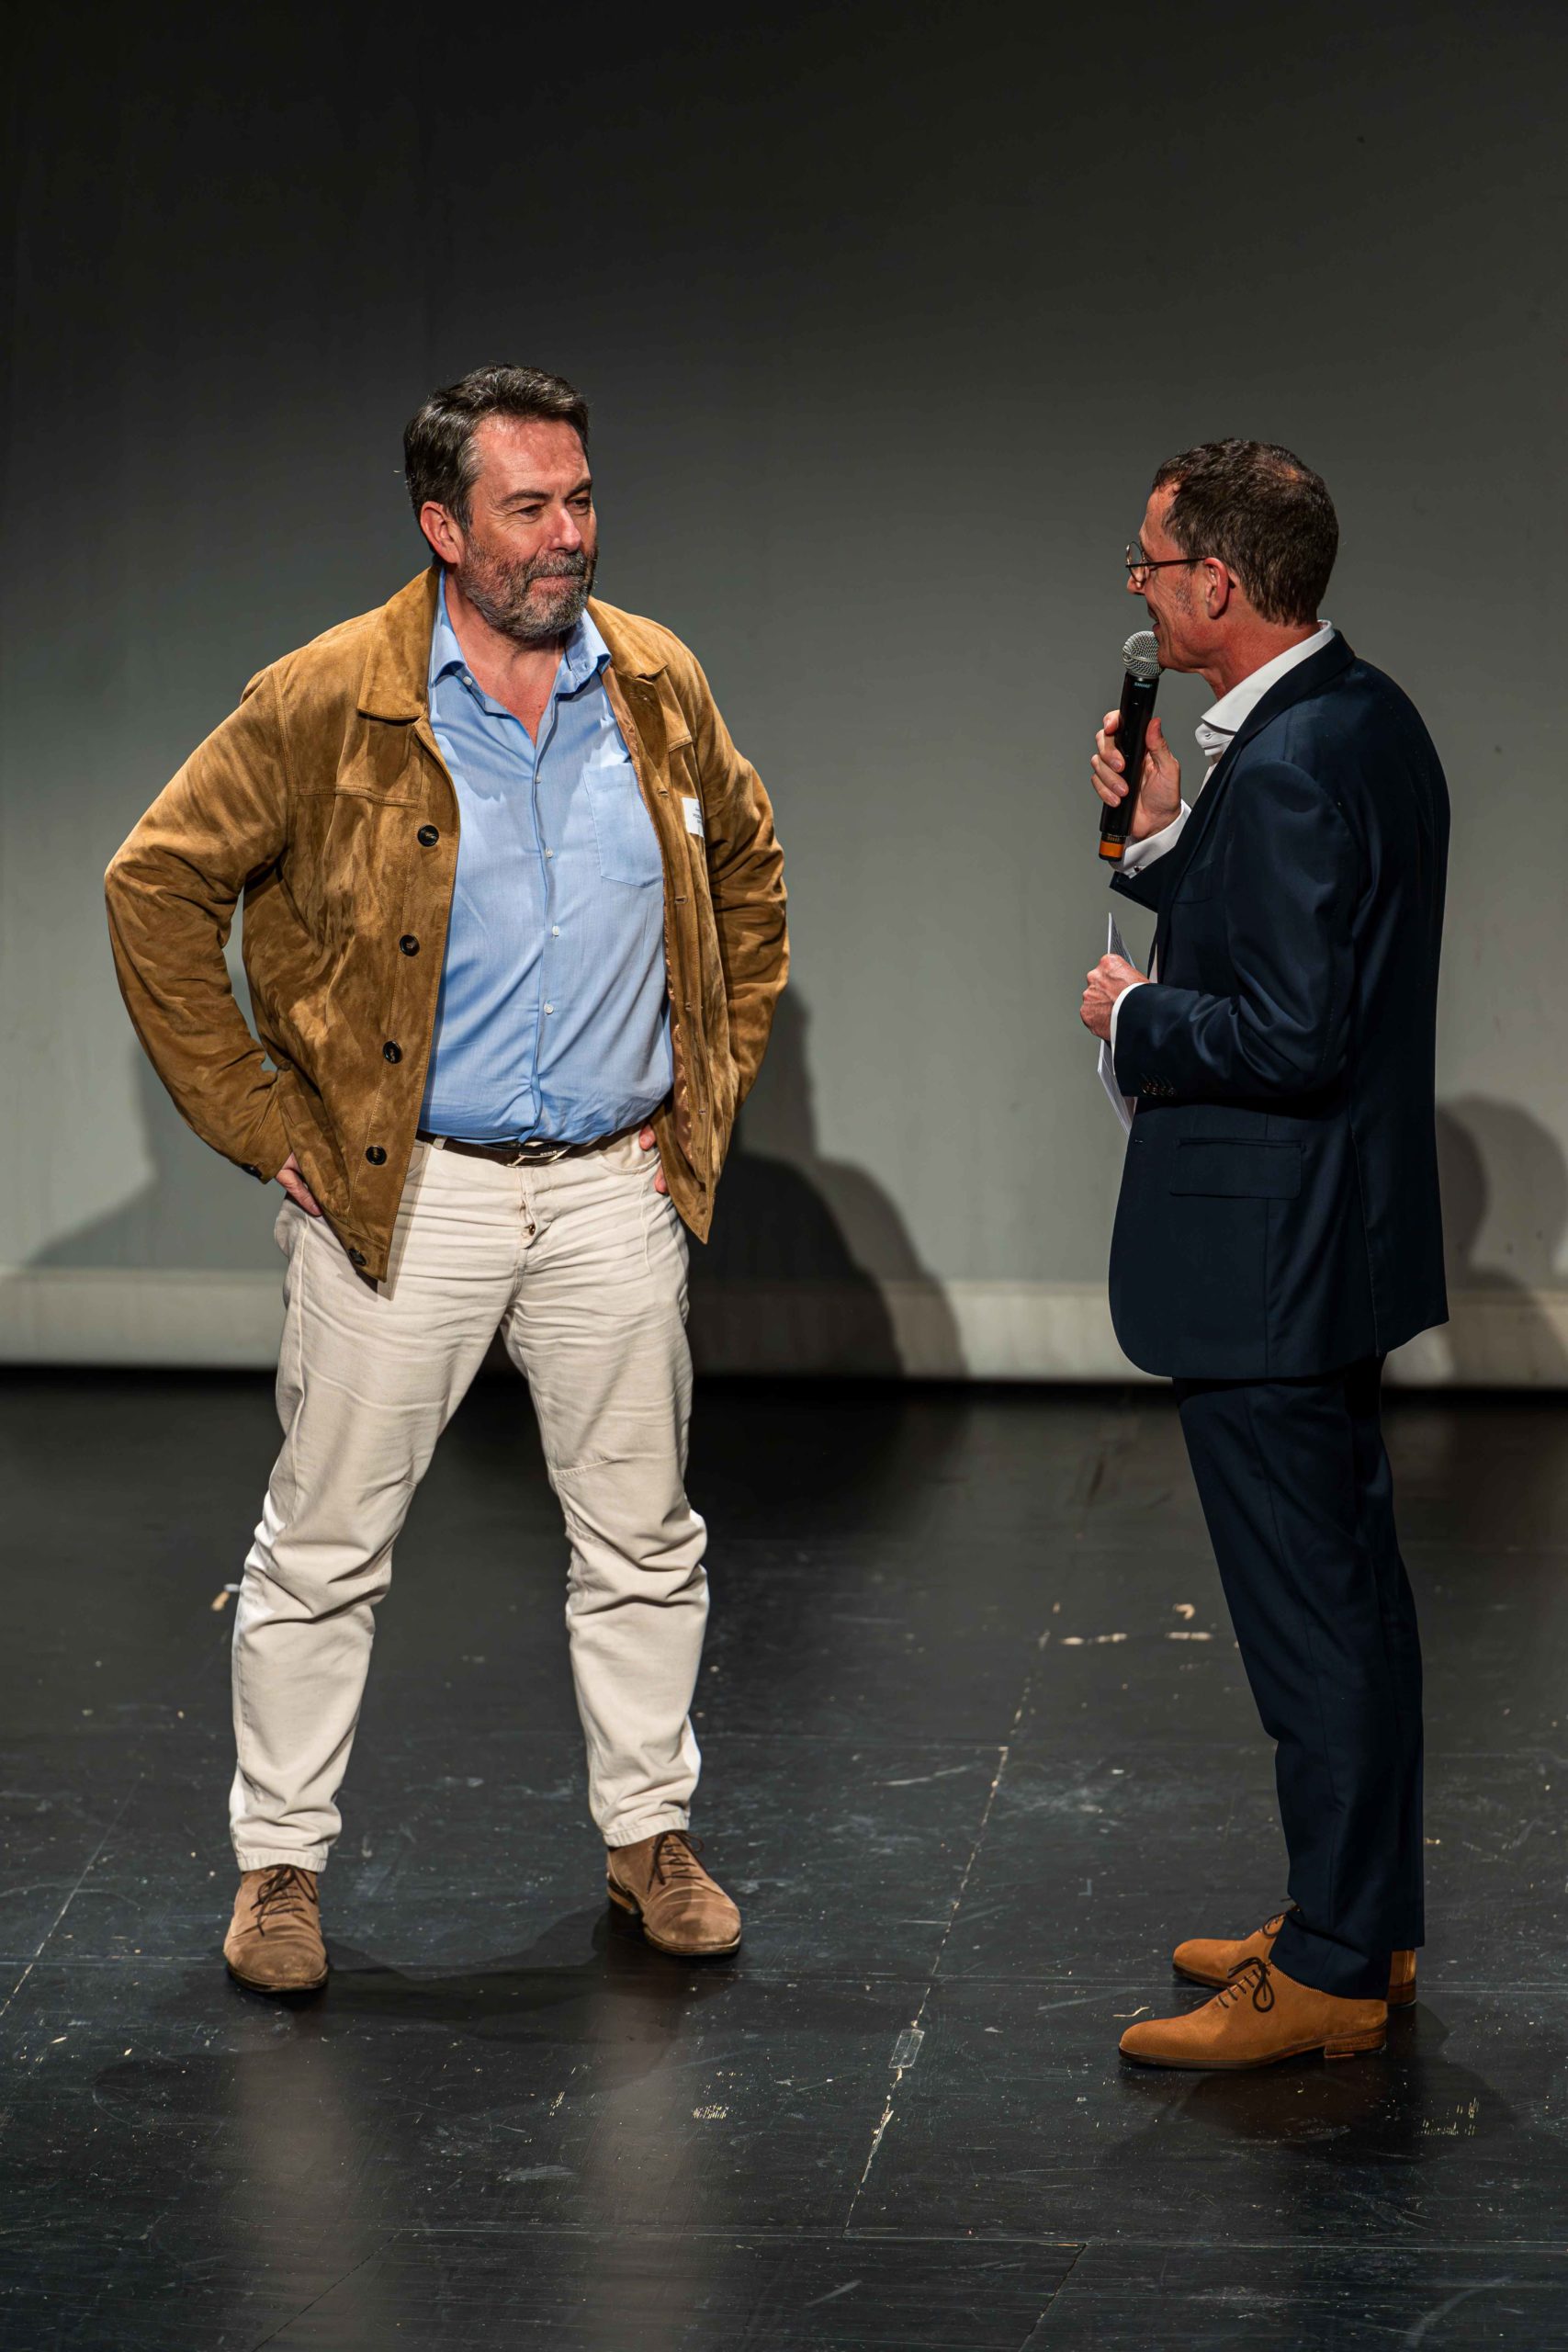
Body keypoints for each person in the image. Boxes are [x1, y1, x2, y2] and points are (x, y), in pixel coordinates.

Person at [106, 365, 787, 1991]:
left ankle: (649, 1835)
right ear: (442, 525)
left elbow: (747, 878)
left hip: (613, 1186)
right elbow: (156, 885)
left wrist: (708, 1083)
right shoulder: (327, 697)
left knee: (644, 1537)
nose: (568, 536)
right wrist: (260, 1114)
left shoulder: (655, 681)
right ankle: (279, 1869)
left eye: (581, 499)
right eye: (527, 507)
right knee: (325, 1545)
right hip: (405, 1193)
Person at [1080, 440, 1447, 2069]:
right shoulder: (1357, 718)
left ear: (1219, 583)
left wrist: (1136, 1013)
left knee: (1313, 1624)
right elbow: (1299, 942)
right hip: (1325, 1246)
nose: (1142, 591)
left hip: (1271, 1264)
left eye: (1153, 566)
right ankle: (1356, 1922)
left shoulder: (1293, 758)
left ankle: (1334, 1969)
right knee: (1347, 1604)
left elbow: (1292, 1032)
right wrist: (1163, 838)